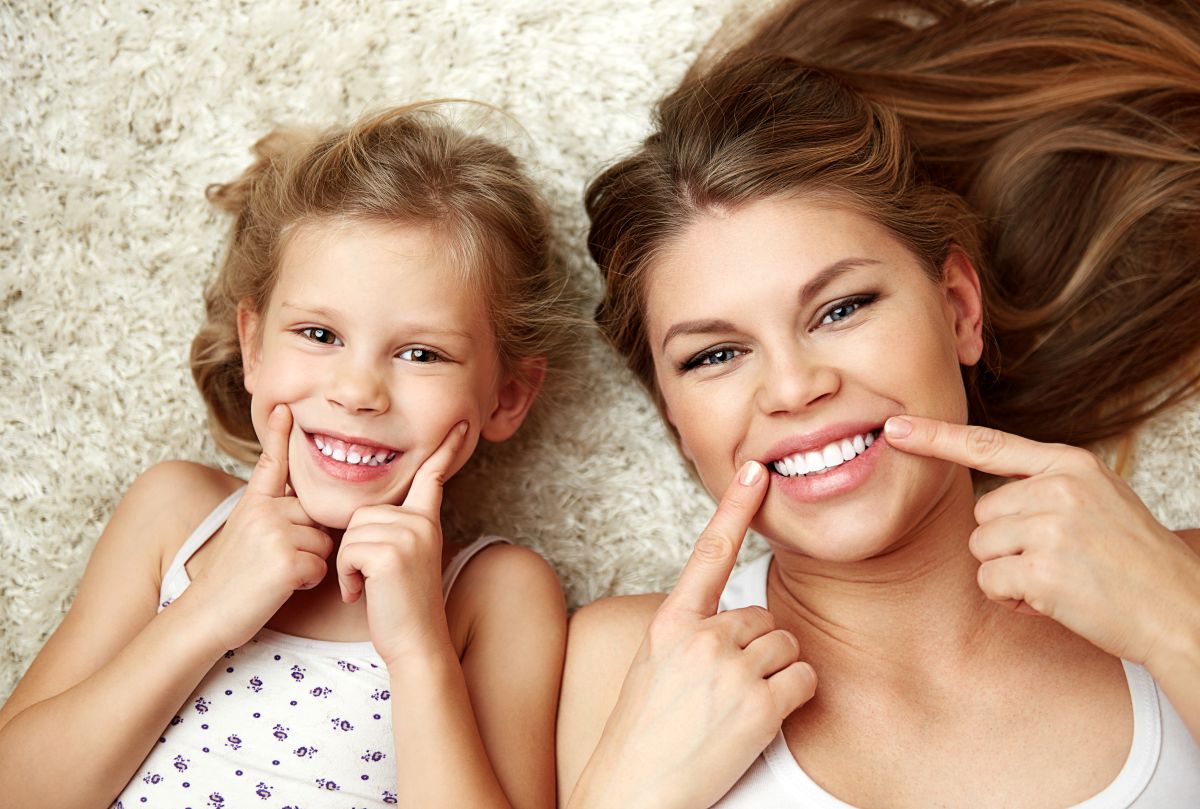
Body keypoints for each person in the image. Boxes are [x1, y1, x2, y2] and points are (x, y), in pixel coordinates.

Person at [558, 1, 1200, 806]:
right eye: (715, 354)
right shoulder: (624, 664)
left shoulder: (1181, 580)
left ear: (959, 310)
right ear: (673, 418)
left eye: (842, 308)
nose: (793, 388)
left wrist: (1182, 629)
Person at [0, 104, 572, 809]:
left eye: (421, 353)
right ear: (254, 345)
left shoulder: (493, 594)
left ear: (507, 395)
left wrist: (418, 649)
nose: (357, 391)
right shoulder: (175, 515)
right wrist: (206, 610)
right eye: (318, 333)